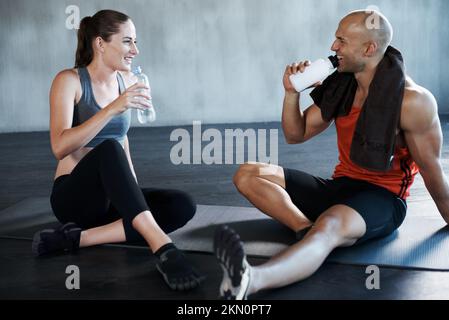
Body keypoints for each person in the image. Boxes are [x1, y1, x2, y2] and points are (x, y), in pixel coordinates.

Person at [214, 9, 449, 300]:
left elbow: (431, 170)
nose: (333, 47)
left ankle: (251, 280)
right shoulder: (343, 86)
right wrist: (291, 93)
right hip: (340, 186)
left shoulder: (413, 101)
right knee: (248, 174)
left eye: (341, 40)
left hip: (381, 199)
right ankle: (305, 230)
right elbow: (295, 134)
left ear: (369, 48)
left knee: (331, 226)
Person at [32, 10, 205, 291]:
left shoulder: (126, 81)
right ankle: (163, 248)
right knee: (109, 148)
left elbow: (123, 139)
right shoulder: (69, 81)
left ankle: (75, 239)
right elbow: (59, 146)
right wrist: (114, 108)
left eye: (135, 42)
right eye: (127, 42)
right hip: (74, 199)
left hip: (110, 199)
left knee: (182, 204)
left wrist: (132, 197)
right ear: (100, 44)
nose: (135, 50)